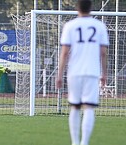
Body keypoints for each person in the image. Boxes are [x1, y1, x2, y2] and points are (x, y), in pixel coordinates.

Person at [55, 0, 109, 145]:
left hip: (74, 72)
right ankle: (84, 142)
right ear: (91, 8)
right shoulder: (100, 26)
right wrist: (104, 73)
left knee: (75, 106)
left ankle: (75, 142)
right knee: (89, 107)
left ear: (76, 8)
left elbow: (64, 53)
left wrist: (59, 75)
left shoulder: (70, 26)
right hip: (92, 71)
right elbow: (103, 53)